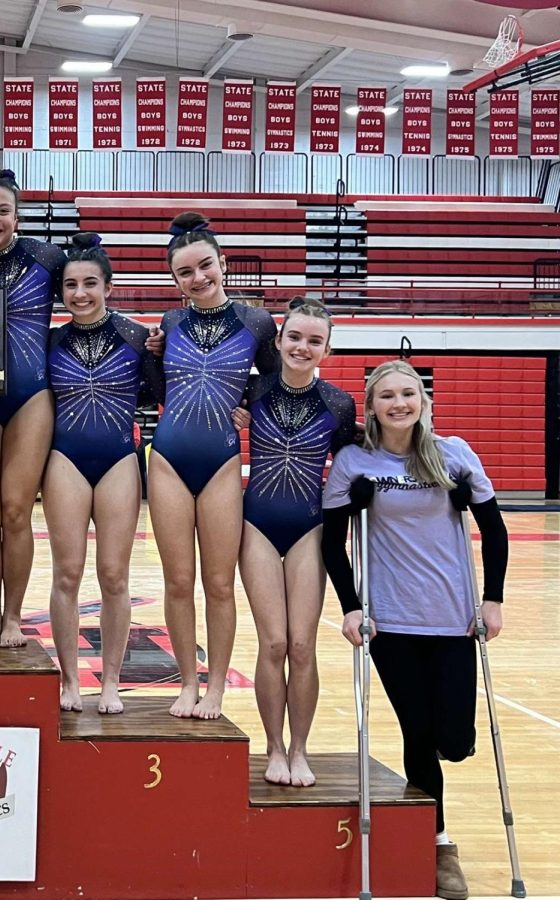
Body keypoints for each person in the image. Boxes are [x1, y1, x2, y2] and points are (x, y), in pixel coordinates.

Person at [321, 359, 508, 900]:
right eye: (386, 396)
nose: (399, 403)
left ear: (423, 401)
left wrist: (492, 601)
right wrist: (352, 608)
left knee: (455, 740)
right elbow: (334, 544)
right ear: (372, 406)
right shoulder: (354, 463)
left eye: (408, 393)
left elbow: (493, 532)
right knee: (418, 735)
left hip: (453, 620)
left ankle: (439, 815)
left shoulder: (454, 454)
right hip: (391, 624)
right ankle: (438, 841)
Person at [148, 211, 279, 719]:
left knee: (220, 583)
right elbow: (160, 391)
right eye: (186, 273)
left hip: (223, 459)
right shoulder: (171, 322)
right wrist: (151, 358)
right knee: (178, 581)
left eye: (205, 266)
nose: (198, 278)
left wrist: (248, 403)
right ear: (175, 281)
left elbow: (273, 382)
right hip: (169, 459)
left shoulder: (256, 322)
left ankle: (217, 686)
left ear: (222, 263)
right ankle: (186, 681)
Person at [43, 232, 163, 714]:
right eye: (70, 285)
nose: (80, 294)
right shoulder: (51, 338)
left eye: (90, 283)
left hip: (118, 458)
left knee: (114, 576)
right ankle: (69, 679)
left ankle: (110, 681)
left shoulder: (137, 336)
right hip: (64, 459)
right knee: (67, 573)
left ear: (108, 286)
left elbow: (160, 394)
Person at [239, 298, 355, 786]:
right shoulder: (252, 388)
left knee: (303, 645)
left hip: (310, 529)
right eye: (295, 337)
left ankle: (301, 749)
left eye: (314, 341)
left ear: (327, 349)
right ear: (279, 340)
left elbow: (353, 466)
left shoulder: (339, 404)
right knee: (275, 642)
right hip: (257, 526)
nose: (302, 347)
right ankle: (273, 747)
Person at [0, 168, 65, 649]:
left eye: (3, 210)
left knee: (18, 510)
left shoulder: (47, 258)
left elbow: (90, 296)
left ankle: (16, 617)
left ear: (17, 215)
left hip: (31, 394)